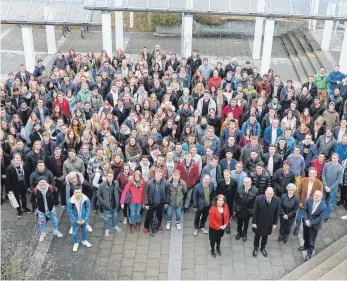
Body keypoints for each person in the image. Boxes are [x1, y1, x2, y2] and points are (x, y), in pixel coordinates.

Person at [31, 177, 63, 242]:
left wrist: (54, 203)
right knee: (42, 222)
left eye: (44, 182)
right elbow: (32, 200)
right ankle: (43, 233)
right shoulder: (35, 190)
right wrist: (37, 206)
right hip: (41, 210)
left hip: (51, 209)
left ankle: (56, 231)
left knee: (54, 220)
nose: (43, 184)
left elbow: (56, 196)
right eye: (41, 182)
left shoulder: (51, 188)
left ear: (46, 182)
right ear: (38, 183)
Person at [293, 167, 323, 235]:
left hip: (311, 205)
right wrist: (299, 202)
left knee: (308, 218)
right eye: (311, 173)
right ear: (308, 174)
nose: (312, 174)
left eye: (313, 173)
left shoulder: (319, 183)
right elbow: (298, 192)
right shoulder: (303, 180)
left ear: (316, 174)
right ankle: (297, 227)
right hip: (302, 203)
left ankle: (307, 229)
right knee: (298, 217)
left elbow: (319, 196)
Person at [252, 187, 280, 258]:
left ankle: (263, 248)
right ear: (265, 192)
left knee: (265, 236)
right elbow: (255, 211)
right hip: (259, 222)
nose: (269, 195)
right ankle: (255, 248)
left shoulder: (277, 200)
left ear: (273, 194)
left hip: (269, 222)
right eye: (268, 194)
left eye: (271, 194)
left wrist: (275, 223)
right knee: (257, 235)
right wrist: (254, 222)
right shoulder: (259, 198)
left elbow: (276, 213)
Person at [299, 190, 327, 261]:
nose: (316, 197)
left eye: (318, 196)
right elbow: (305, 210)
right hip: (306, 222)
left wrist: (310, 223)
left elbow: (320, 218)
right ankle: (305, 246)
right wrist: (306, 220)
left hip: (314, 226)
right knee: (305, 236)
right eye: (315, 195)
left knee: (312, 240)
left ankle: (309, 253)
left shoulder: (323, 206)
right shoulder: (309, 200)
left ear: (321, 197)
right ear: (313, 195)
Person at [66, 185, 92, 252]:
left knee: (85, 230)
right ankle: (76, 243)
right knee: (74, 232)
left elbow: (88, 209)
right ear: (73, 192)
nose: (78, 194)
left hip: (83, 218)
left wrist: (85, 219)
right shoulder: (70, 201)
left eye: (79, 192)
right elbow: (70, 212)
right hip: (75, 219)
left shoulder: (86, 199)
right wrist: (75, 220)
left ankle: (84, 240)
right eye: (76, 192)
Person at [143, 168, 169, 233]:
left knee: (159, 215)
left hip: (160, 202)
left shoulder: (165, 183)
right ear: (155, 174)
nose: (159, 176)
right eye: (158, 174)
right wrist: (146, 203)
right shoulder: (149, 182)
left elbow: (167, 193)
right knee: (149, 215)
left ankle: (159, 225)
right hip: (152, 202)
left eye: (160, 175)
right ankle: (146, 226)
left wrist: (166, 202)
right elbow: (146, 193)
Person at [6, 153, 32, 217]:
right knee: (16, 198)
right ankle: (19, 210)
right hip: (15, 185)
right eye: (16, 158)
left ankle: (24, 207)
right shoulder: (9, 168)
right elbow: (8, 180)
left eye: (19, 158)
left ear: (21, 158)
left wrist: (28, 186)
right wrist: (9, 189)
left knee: (24, 196)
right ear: (13, 159)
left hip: (23, 183)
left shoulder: (25, 165)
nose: (18, 159)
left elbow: (27, 176)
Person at [233, 177, 258, 242]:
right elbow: (235, 200)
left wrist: (251, 211)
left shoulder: (255, 190)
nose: (246, 184)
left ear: (251, 182)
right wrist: (235, 209)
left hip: (248, 211)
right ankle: (239, 233)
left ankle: (244, 234)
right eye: (245, 182)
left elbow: (256, 203)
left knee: (246, 224)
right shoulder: (239, 189)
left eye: (248, 182)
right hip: (239, 210)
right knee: (239, 223)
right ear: (243, 183)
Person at [321, 153, 343, 223]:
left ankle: (327, 215)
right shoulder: (327, 164)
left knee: (330, 203)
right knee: (323, 200)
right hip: (325, 186)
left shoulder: (340, 168)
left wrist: (330, 188)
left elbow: (338, 180)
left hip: (333, 189)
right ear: (331, 158)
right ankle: (322, 213)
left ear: (338, 158)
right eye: (333, 158)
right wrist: (325, 185)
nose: (334, 159)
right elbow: (323, 174)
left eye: (336, 158)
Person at [216, 169, 237, 234]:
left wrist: (234, 200)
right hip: (222, 200)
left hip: (230, 200)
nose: (226, 176)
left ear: (230, 175)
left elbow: (235, 192)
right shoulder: (220, 182)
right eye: (225, 175)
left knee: (228, 213)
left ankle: (227, 224)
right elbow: (218, 192)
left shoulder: (234, 182)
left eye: (227, 175)